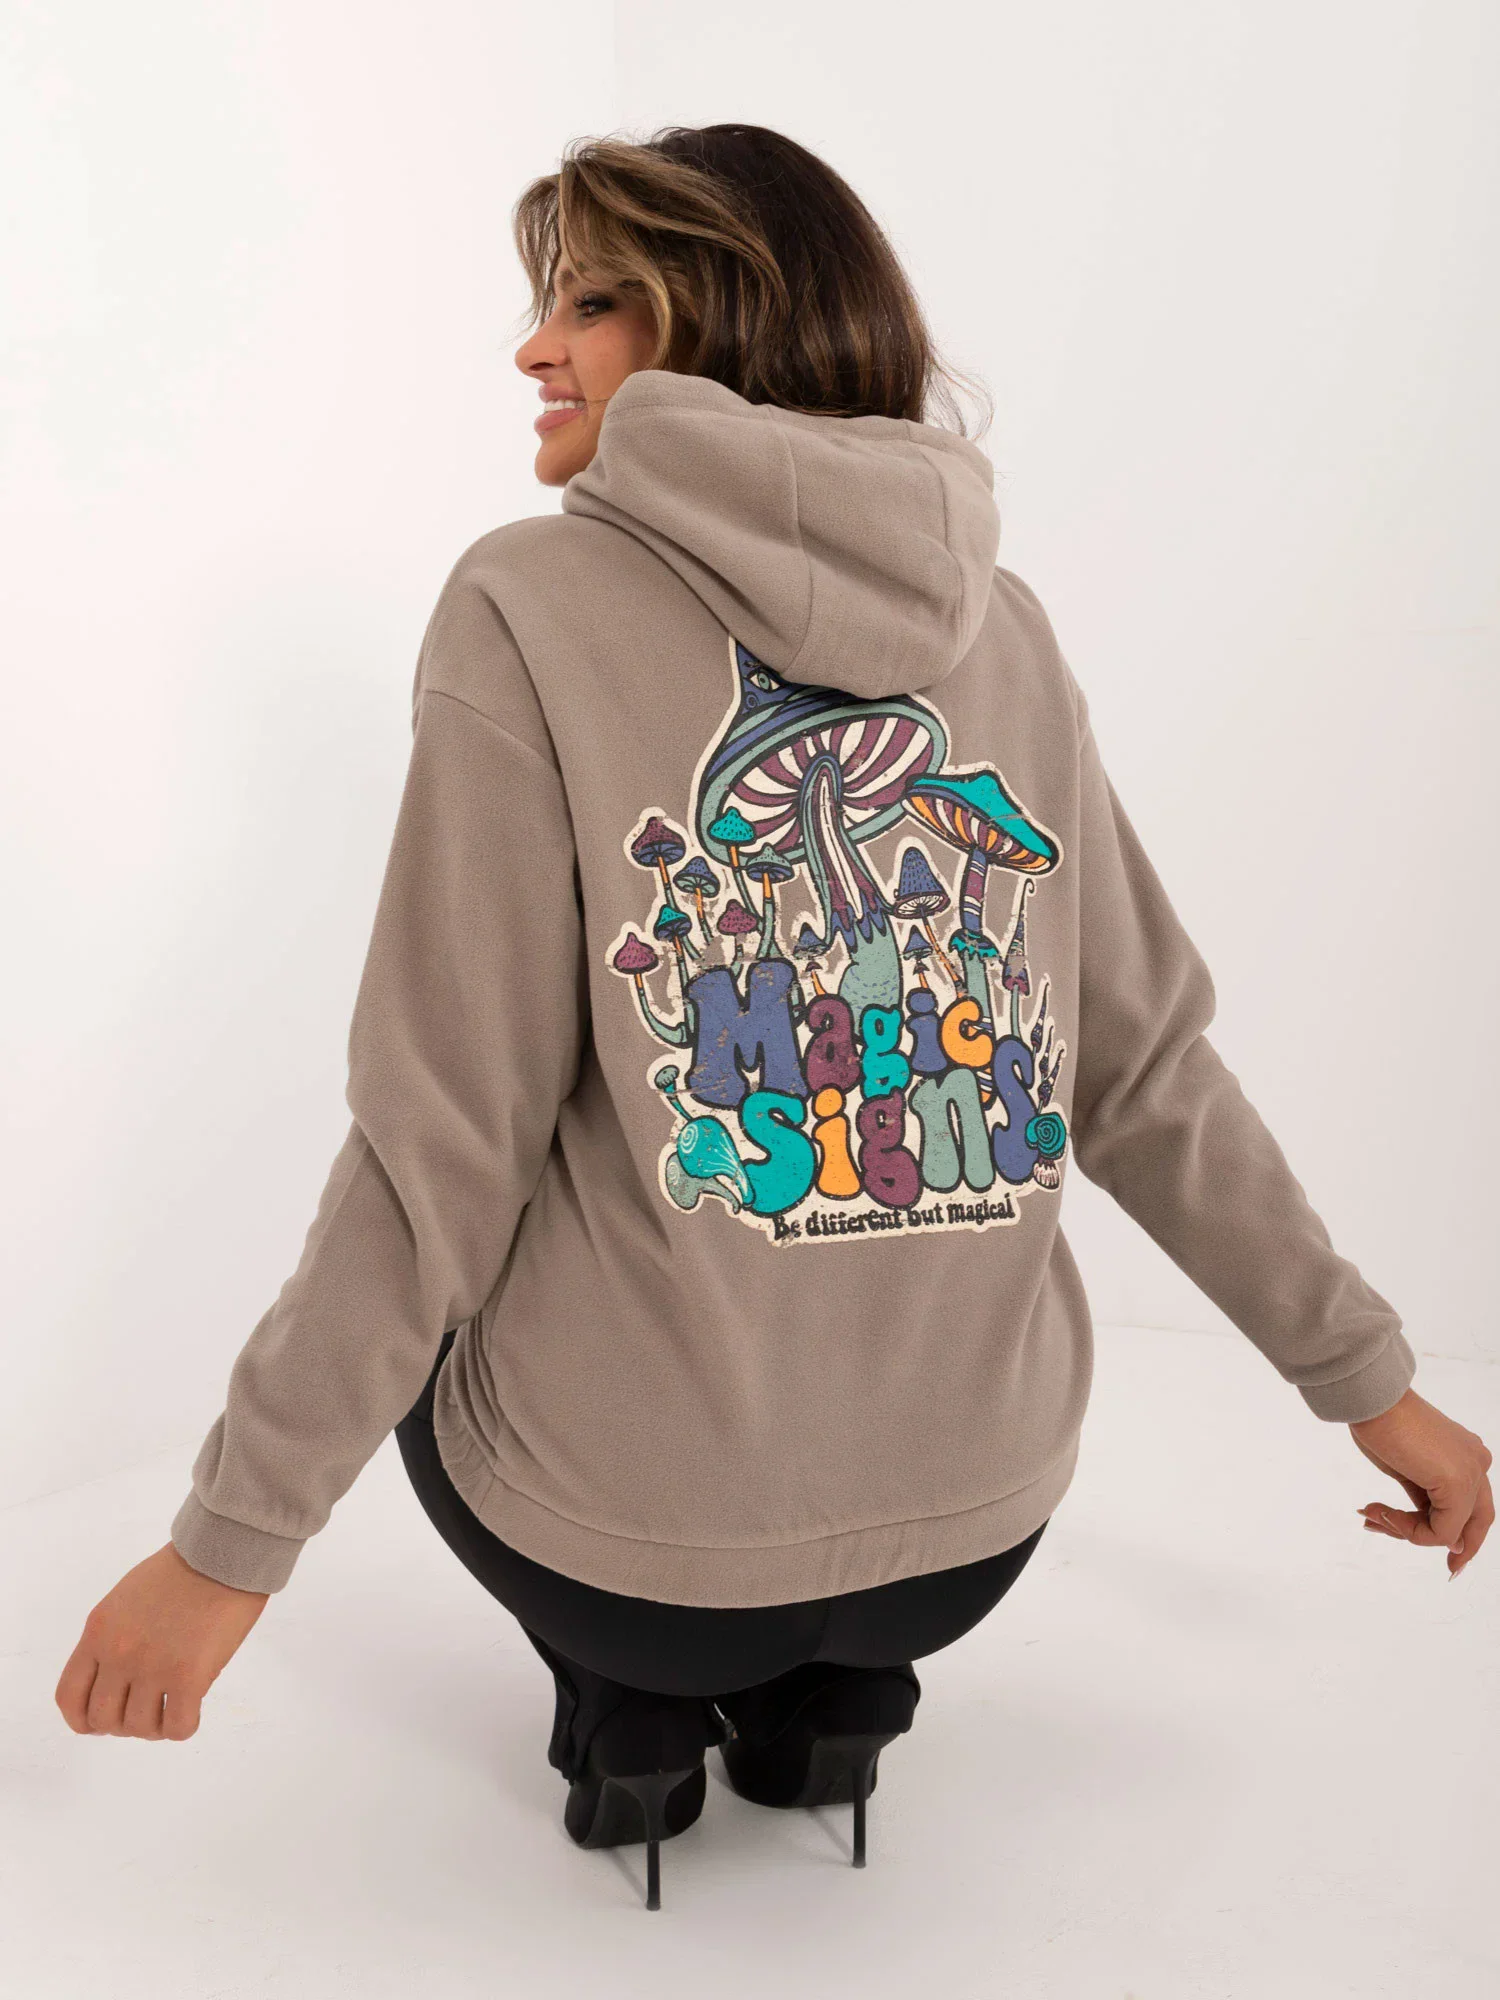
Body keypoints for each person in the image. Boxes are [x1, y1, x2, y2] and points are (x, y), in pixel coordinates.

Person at [56, 124, 1492, 1911]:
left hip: (630, 1559)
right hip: (976, 1539)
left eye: (591, 303)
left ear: (723, 320)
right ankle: (838, 1709)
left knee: (457, 1271)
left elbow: (442, 1153)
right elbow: (1142, 1075)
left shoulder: (526, 604)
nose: (532, 347)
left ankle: (633, 1715)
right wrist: (1374, 1387)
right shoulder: (1006, 623)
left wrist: (225, 1555)